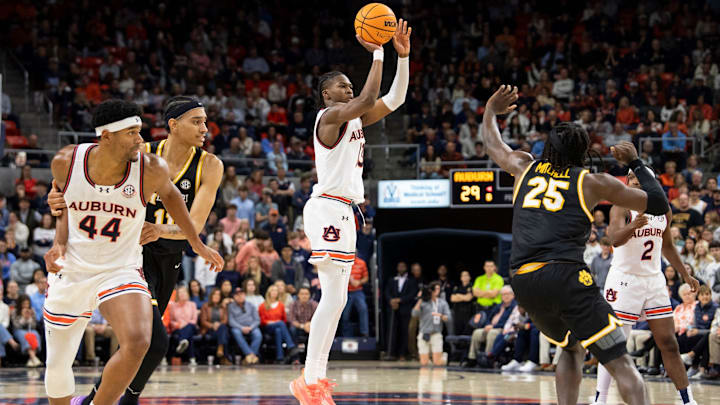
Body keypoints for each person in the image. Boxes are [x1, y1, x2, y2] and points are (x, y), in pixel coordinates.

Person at [483, 84, 672, 405]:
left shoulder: (524, 167)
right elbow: (657, 202)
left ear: (548, 148)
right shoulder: (593, 182)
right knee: (620, 362)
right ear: (583, 152)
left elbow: (493, 144)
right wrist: (637, 163)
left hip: (524, 280)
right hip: (565, 276)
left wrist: (490, 110)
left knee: (570, 347)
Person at [41, 99, 222, 405]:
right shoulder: (67, 161)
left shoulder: (152, 167)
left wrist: (196, 243)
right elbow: (62, 202)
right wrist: (58, 242)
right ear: (107, 135)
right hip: (74, 268)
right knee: (58, 363)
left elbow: (175, 199)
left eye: (141, 131)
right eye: (132, 132)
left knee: (142, 342)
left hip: (122, 266)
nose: (140, 139)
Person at [290, 20, 412, 405]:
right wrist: (378, 50)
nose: (351, 89)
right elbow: (369, 95)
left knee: (338, 299)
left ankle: (315, 379)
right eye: (343, 85)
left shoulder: (353, 117)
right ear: (327, 95)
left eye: (350, 84)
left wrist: (402, 58)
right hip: (327, 209)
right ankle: (310, 381)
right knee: (332, 298)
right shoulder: (329, 118)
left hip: (343, 212)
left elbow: (395, 99)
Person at [593, 170, 701, 405]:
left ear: (651, 182)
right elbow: (613, 239)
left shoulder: (663, 209)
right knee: (615, 344)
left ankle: (688, 400)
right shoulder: (621, 206)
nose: (634, 181)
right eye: (630, 178)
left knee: (669, 343)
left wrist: (685, 274)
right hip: (624, 280)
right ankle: (599, 399)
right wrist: (635, 226)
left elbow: (668, 246)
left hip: (653, 280)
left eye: (639, 177)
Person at [412, 281, 450, 366]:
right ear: (430, 290)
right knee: (424, 363)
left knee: (437, 363)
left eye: (439, 289)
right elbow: (414, 314)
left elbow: (448, 317)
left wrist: (441, 316)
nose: (437, 291)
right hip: (424, 333)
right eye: (435, 289)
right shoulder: (423, 302)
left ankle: (443, 357)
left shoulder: (442, 303)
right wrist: (420, 298)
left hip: (436, 333)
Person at [259, 284, 299, 363]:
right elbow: (262, 320)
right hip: (267, 327)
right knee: (280, 324)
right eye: (272, 290)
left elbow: (284, 319)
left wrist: (277, 323)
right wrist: (271, 322)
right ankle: (290, 346)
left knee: (278, 331)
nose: (274, 292)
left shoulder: (280, 305)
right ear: (269, 293)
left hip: (278, 326)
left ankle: (279, 358)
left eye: (276, 291)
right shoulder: (263, 305)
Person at [227, 287, 262, 365]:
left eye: (241, 294)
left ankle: (249, 357)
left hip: (251, 326)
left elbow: (257, 320)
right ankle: (251, 355)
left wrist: (251, 327)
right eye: (237, 295)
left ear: (244, 295)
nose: (240, 297)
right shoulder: (230, 306)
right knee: (236, 332)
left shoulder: (251, 305)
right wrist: (241, 328)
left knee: (258, 334)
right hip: (238, 327)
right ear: (234, 297)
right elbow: (231, 321)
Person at [168, 286, 199, 365]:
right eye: (180, 292)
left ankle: (182, 341)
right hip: (178, 328)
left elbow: (194, 320)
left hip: (191, 326)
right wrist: (178, 325)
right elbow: (171, 321)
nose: (182, 294)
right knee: (189, 337)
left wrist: (185, 324)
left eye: (184, 292)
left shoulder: (192, 304)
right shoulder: (173, 306)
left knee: (189, 328)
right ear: (177, 295)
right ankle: (192, 359)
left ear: (187, 294)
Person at [341, 256, 369, 337]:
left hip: (358, 291)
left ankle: (364, 333)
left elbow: (366, 278)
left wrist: (359, 282)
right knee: (345, 314)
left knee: (363, 309)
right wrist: (347, 279)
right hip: (345, 291)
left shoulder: (361, 262)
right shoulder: (343, 263)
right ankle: (346, 335)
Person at [450, 270, 474, 335]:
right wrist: (464, 296)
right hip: (458, 313)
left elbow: (468, 298)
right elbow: (452, 298)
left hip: (468, 313)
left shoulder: (472, 287)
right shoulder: (457, 287)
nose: (465, 277)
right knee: (457, 331)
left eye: (466, 275)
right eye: (463, 275)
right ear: (461, 278)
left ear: (469, 277)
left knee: (467, 332)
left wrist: (458, 295)